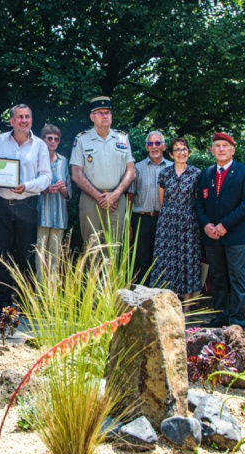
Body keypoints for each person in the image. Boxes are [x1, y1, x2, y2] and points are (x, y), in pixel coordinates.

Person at [0, 104, 52, 316]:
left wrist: (27, 186)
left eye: (27, 117)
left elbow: (46, 177)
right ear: (12, 121)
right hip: (1, 206)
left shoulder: (40, 145)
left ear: (31, 120)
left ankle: (27, 304)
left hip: (27, 205)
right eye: (19, 117)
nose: (24, 120)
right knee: (2, 255)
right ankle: (3, 304)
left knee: (27, 256)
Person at [195, 132, 245, 328]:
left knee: (237, 277)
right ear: (212, 150)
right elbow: (199, 203)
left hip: (235, 235)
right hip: (212, 235)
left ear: (233, 149)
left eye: (225, 146)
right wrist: (206, 224)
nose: (221, 149)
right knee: (217, 276)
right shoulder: (205, 174)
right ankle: (220, 314)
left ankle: (238, 318)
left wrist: (224, 225)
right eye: (217, 146)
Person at [71, 96, 136, 246]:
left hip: (117, 199)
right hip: (90, 199)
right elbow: (76, 173)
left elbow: (131, 171)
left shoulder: (122, 138)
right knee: (91, 248)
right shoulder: (82, 139)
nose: (105, 115)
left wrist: (115, 195)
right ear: (92, 117)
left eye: (108, 112)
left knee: (114, 247)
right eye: (100, 113)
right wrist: (99, 197)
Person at [151, 137, 201, 301]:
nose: (181, 152)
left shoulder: (196, 173)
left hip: (188, 222)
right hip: (167, 222)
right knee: (166, 260)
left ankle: (186, 306)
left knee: (187, 260)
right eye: (177, 150)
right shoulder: (164, 173)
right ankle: (165, 302)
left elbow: (198, 199)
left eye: (184, 148)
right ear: (171, 155)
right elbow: (161, 200)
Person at [128, 131, 172, 285]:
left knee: (163, 258)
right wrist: (129, 225)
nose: (154, 147)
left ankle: (161, 297)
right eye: (150, 144)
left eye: (158, 143)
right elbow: (130, 196)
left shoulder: (173, 168)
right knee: (142, 258)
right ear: (146, 147)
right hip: (141, 218)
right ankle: (142, 296)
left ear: (164, 146)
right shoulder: (137, 168)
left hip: (165, 219)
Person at [36, 124, 71, 278]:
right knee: (39, 259)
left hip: (59, 217)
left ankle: (52, 298)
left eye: (56, 139)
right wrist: (45, 189)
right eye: (49, 138)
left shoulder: (63, 161)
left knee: (55, 261)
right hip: (40, 216)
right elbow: (28, 186)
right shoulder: (36, 159)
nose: (52, 142)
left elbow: (70, 191)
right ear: (43, 140)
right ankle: (38, 297)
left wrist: (64, 190)